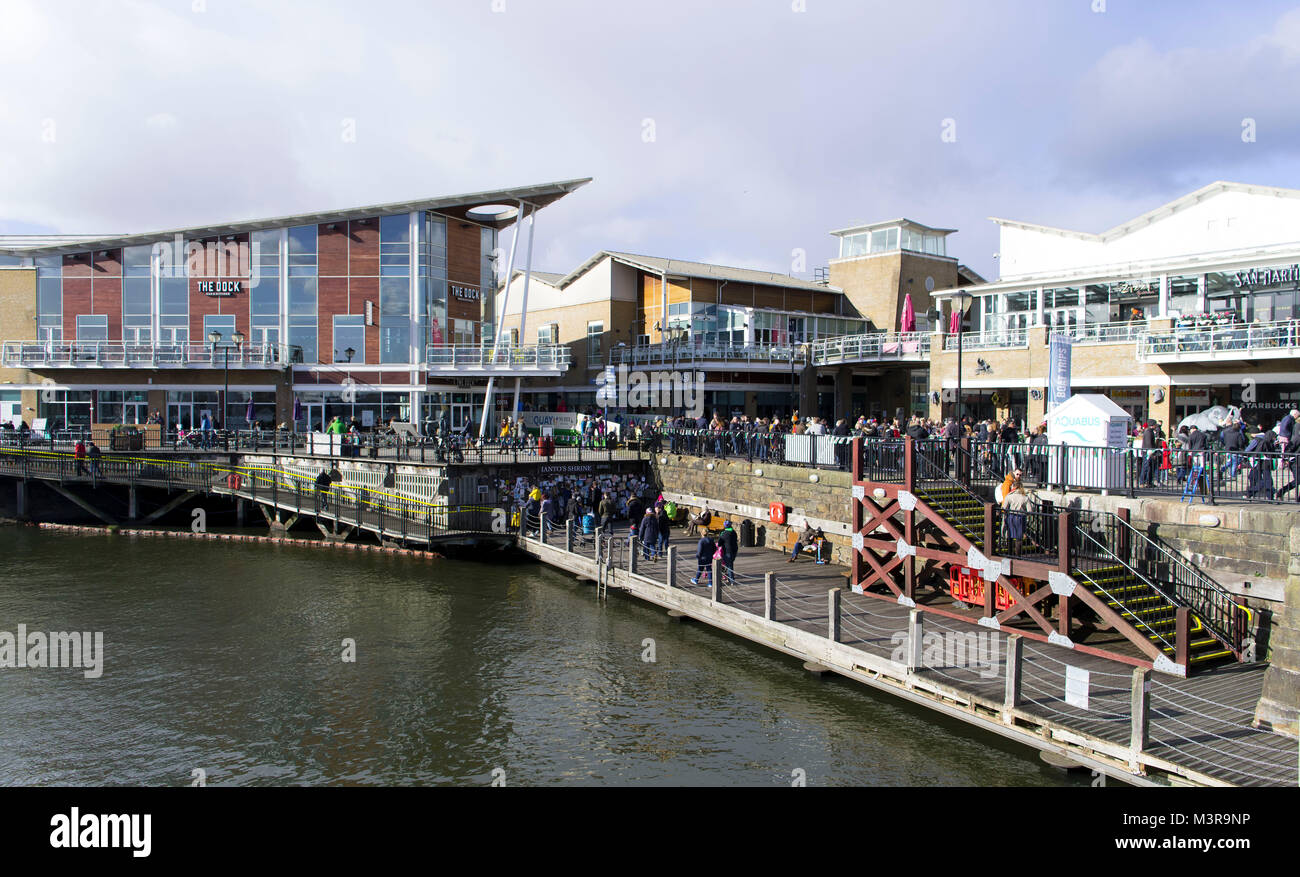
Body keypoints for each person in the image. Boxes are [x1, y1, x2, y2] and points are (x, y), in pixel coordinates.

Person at [1001, 478, 1031, 555]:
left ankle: (1010, 553)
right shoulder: (1025, 497)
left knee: (1010, 535)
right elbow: (1030, 510)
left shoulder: (1009, 496)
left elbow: (1004, 508)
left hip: (1011, 516)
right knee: (1019, 537)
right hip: (1021, 517)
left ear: (1014, 487)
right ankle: (1018, 555)